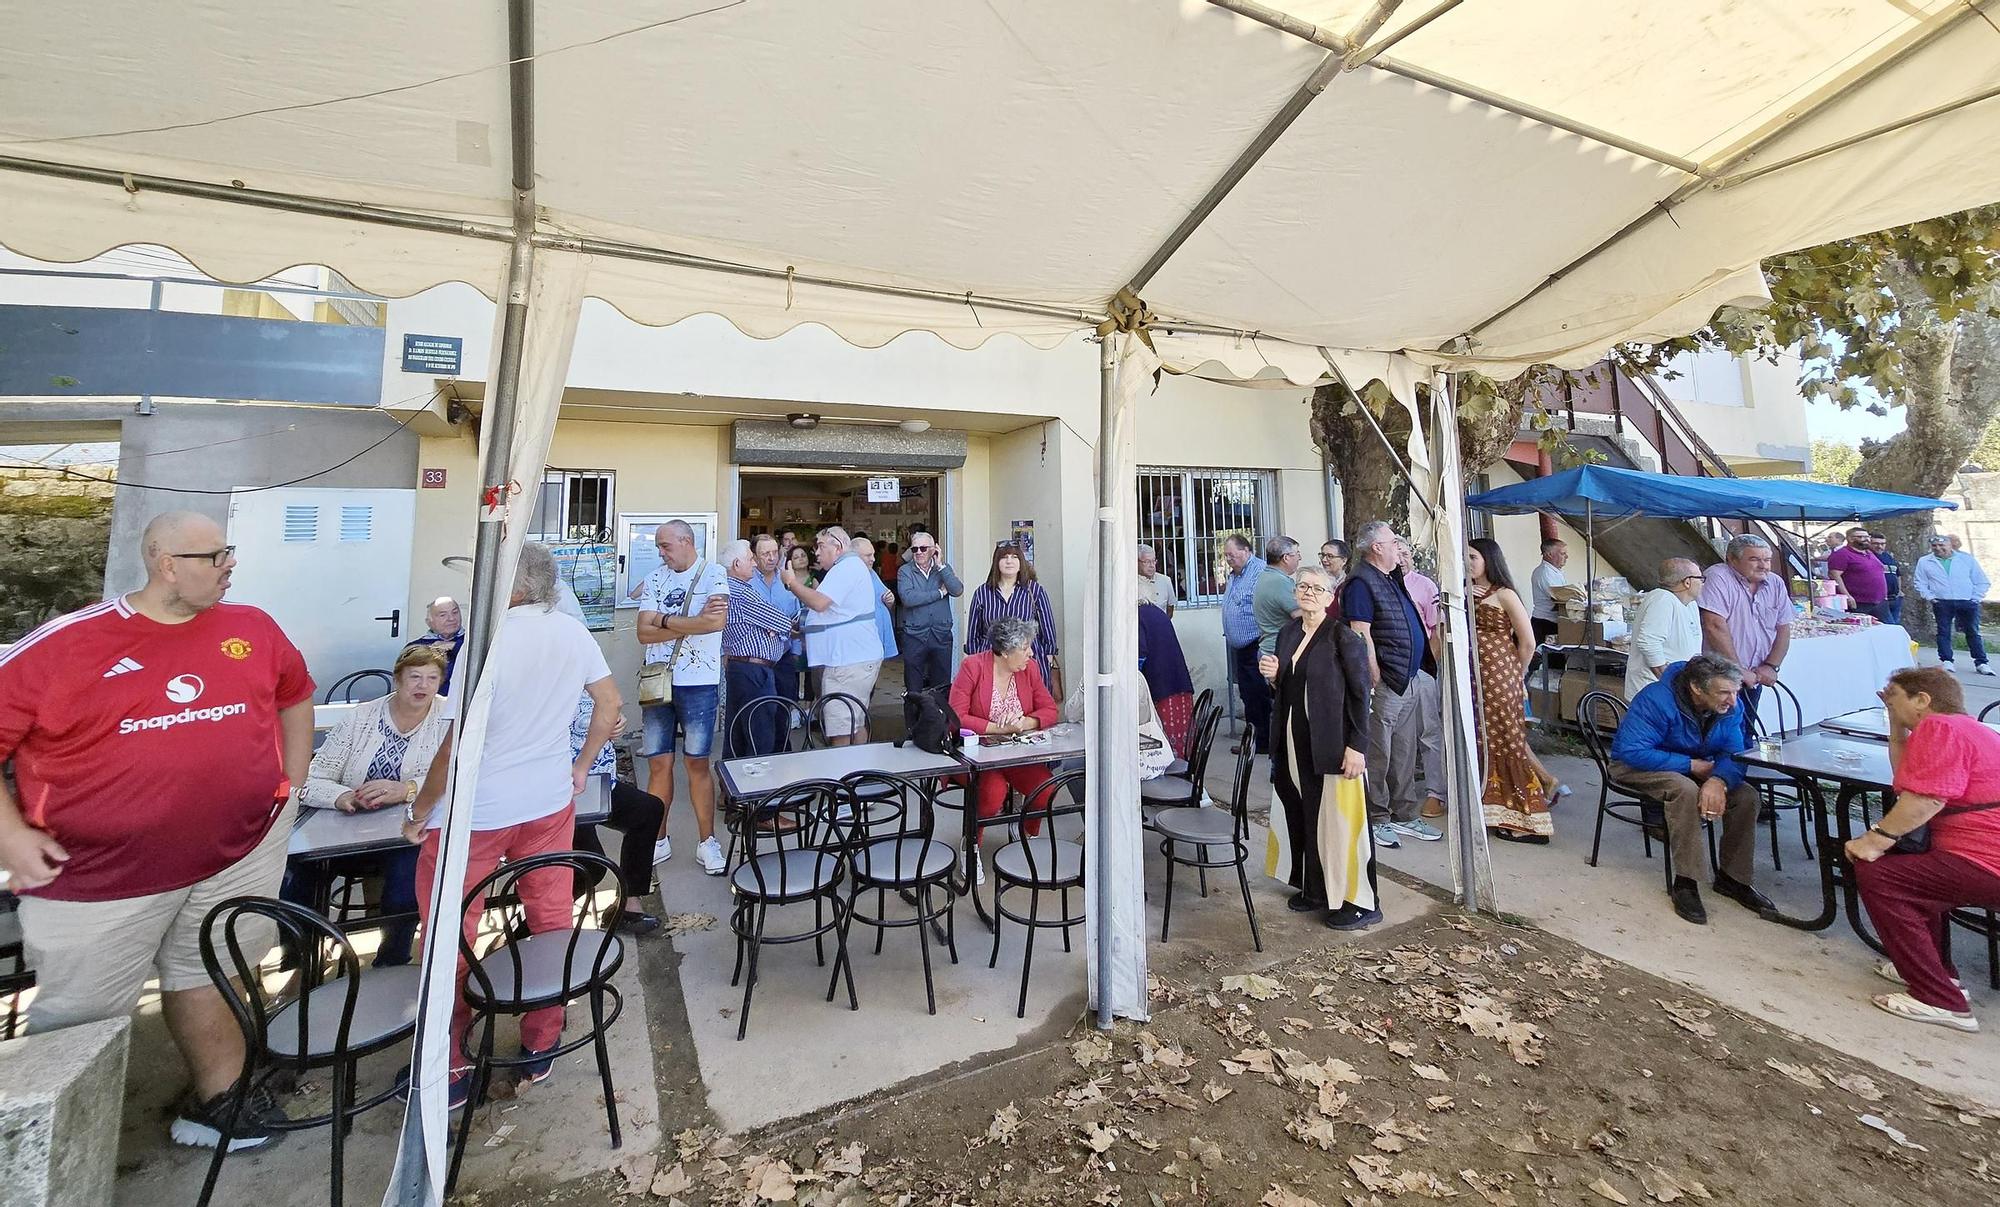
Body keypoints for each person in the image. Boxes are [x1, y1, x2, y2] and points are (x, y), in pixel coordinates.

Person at [0, 511, 314, 1150]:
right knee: (79, 1025)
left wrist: (291, 783)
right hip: (99, 877)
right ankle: (52, 1163)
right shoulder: (64, 647)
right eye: (216, 556)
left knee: (213, 973)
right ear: (167, 564)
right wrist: (10, 836)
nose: (230, 566)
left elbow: (295, 694)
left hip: (237, 852)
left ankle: (220, 1102)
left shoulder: (251, 627)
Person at [403, 542, 621, 1107]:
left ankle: (448, 1058)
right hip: (547, 800)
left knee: (451, 930)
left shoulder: (489, 639)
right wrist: (579, 767)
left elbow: (455, 743)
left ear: (512, 584)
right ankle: (541, 1039)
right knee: (551, 916)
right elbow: (610, 707)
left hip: (477, 810)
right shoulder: (573, 632)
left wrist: (421, 809)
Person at [1847, 667, 2000, 1031]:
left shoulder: (1940, 727)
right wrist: (1895, 722)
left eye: (1893, 695)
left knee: (1878, 874)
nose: (1887, 700)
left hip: (1986, 860)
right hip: (1980, 857)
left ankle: (1940, 998)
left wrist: (1873, 840)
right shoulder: (1973, 729)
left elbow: (1927, 798)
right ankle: (1939, 972)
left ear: (1922, 700)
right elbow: (1906, 778)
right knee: (1912, 871)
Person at [286, 644, 452, 966]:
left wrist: (406, 789)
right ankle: (303, 962)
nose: (423, 686)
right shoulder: (361, 717)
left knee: (406, 882)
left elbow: (455, 777)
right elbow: (311, 778)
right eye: (414, 677)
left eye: (432, 678)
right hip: (346, 828)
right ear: (397, 680)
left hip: (409, 827)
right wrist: (342, 796)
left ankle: (391, 960)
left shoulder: (447, 720)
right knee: (295, 875)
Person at [1608, 654, 1770, 926]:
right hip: (1636, 765)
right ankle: (1687, 881)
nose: (1732, 700)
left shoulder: (1731, 706)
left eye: (1735, 691)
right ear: (1697, 688)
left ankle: (1734, 878)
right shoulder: (1657, 699)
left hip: (1697, 767)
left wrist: (1719, 780)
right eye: (1724, 693)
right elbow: (1630, 751)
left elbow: (1734, 751)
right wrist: (1690, 765)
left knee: (1746, 796)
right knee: (1684, 790)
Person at [1258, 565, 1375, 929]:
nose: (1309, 592)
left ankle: (1359, 901)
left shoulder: (1343, 637)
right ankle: (1315, 888)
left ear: (1330, 597)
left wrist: (1357, 746)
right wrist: (1273, 677)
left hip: (1334, 743)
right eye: (1303, 586)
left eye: (1317, 588)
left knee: (1341, 821)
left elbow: (1360, 695)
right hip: (1295, 742)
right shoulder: (1289, 632)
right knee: (1306, 812)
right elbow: (1288, 689)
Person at [637, 520, 730, 874]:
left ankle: (706, 841)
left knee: (697, 763)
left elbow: (715, 624)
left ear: (686, 541)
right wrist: (684, 621)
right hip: (658, 680)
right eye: (659, 546)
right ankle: (657, 839)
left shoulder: (714, 573)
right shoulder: (657, 577)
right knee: (658, 763)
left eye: (665, 545)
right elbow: (643, 635)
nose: (661, 552)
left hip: (699, 683)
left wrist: (661, 619)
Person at [1342, 521, 1437, 849]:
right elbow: (1360, 631)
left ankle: (1405, 813)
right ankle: (1378, 816)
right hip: (1386, 681)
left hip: (1406, 677)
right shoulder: (1361, 582)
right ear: (1376, 548)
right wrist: (1375, 675)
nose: (1399, 546)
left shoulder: (1389, 577)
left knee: (1404, 751)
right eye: (1392, 541)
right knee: (1379, 752)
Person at [949, 616, 1061, 884]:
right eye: (1025, 648)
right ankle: (971, 846)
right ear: (1006, 651)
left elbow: (1050, 709)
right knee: (992, 793)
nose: (1031, 653)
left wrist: (1026, 722)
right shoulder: (972, 667)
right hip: (976, 756)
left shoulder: (1029, 669)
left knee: (1046, 789)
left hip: (1015, 753)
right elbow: (956, 716)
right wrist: (995, 729)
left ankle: (1025, 832)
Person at [1466, 539, 1552, 843]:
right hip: (1476, 676)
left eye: (1473, 556)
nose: (1468, 561)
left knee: (1508, 741)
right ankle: (1497, 809)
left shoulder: (1505, 594)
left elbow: (1527, 641)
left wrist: (1517, 675)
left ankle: (1527, 816)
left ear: (1489, 559)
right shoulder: (1469, 593)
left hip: (1501, 675)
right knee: (1486, 741)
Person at [566, 694, 665, 936]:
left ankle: (626, 907)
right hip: (563, 789)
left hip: (599, 781)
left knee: (647, 811)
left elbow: (604, 701)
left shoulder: (587, 664)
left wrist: (614, 720)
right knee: (591, 864)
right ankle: (543, 919)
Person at [785, 525, 886, 745]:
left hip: (847, 662)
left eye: (821, 546)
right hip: (851, 658)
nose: (817, 553)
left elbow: (819, 602)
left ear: (838, 546)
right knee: (854, 722)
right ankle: (859, 773)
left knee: (840, 731)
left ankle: (842, 777)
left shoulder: (846, 568)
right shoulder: (848, 568)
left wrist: (791, 583)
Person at [720, 538, 799, 758]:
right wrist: (778, 626)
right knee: (759, 733)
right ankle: (758, 787)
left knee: (741, 733)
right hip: (753, 669)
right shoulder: (742, 592)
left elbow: (778, 623)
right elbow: (783, 622)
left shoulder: (735, 588)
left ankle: (737, 786)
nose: (754, 564)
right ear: (737, 564)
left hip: (751, 667)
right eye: (750, 559)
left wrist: (775, 626)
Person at [1698, 533, 1791, 718]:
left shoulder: (1775, 582)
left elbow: (1784, 628)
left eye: (1767, 559)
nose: (1763, 565)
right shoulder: (1718, 576)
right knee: (1721, 734)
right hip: (1720, 674)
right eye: (1754, 559)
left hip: (1755, 674)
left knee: (1747, 730)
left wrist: (1772, 666)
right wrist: (1738, 670)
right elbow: (1714, 625)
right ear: (1732, 559)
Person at [1395, 537, 1449, 822]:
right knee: (1399, 736)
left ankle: (1435, 792)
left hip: (1422, 670)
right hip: (1392, 672)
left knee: (1429, 732)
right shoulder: (1384, 585)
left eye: (1405, 552)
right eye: (1396, 552)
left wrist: (1429, 667)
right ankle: (1399, 792)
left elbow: (1437, 630)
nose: (1401, 557)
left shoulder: (1425, 586)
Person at [963, 542, 1060, 692]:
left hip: (1028, 660)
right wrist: (976, 659)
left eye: (1014, 557)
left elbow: (1047, 627)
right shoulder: (982, 593)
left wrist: (1047, 656)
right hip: (991, 661)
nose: (1009, 561)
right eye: (1004, 557)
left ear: (1021, 562)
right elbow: (973, 633)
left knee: (1030, 704)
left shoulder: (1034, 590)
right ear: (997, 562)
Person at [1914, 533, 1994, 674]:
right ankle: (1947, 660)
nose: (1938, 548)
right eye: (1934, 546)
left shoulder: (1966, 559)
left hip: (1967, 601)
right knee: (1943, 631)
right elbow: (1920, 582)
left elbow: (1981, 580)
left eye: (1941, 545)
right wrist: (1930, 597)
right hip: (1942, 601)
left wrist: (1975, 597)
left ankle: (1981, 662)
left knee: (1972, 631)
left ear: (1950, 545)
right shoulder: (1925, 561)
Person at [1626, 558, 1705, 700]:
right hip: (1654, 690)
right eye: (1700, 578)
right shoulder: (1662, 599)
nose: (1702, 583)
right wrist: (1667, 679)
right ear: (1687, 582)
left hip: (1678, 688)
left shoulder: (1690, 604)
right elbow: (1648, 642)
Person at [1221, 534, 1272, 755]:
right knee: (1247, 694)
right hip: (1240, 647)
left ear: (1246, 550)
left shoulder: (1259, 572)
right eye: (1226, 556)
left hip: (1255, 645)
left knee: (1257, 695)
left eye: (1232, 555)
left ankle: (1261, 742)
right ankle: (1253, 738)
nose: (1229, 559)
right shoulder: (1235, 574)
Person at [896, 530, 963, 697]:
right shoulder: (905, 571)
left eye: (923, 548)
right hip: (914, 635)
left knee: (941, 685)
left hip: (941, 634)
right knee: (913, 685)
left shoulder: (943, 569)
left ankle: (940, 721)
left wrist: (941, 566)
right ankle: (914, 722)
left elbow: (957, 590)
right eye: (914, 549)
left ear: (934, 550)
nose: (918, 552)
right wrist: (939, 594)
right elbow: (908, 598)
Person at [747, 533, 804, 708]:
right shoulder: (746, 581)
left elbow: (796, 615)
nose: (772, 558)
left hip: (783, 656)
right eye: (765, 554)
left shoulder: (787, 581)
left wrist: (796, 651)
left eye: (774, 552)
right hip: (755, 659)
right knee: (758, 710)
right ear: (754, 556)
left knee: (783, 707)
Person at [1137, 599, 1196, 759]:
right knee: (1181, 749)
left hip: (1163, 689)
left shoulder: (1138, 615)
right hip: (1178, 684)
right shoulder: (1155, 610)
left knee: (1162, 750)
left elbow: (1140, 655)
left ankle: (1172, 777)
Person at [852, 537, 901, 669]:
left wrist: (890, 600)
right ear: (854, 557)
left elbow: (885, 600)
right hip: (861, 641)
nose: (873, 559)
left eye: (873, 554)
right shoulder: (848, 576)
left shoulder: (871, 573)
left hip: (874, 640)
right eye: (868, 555)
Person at [1827, 526, 1891, 621]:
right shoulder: (1842, 554)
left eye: (1866, 537)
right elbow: (1834, 575)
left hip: (1880, 603)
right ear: (1850, 538)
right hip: (1859, 603)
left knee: (1889, 631)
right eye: (1860, 537)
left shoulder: (1869, 553)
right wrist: (1847, 596)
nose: (1865, 539)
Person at [409, 595, 465, 691]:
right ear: (429, 622)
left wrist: (455, 646)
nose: (451, 619)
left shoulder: (472, 642)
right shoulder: (417, 647)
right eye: (443, 615)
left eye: (455, 612)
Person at [1529, 538, 1569, 646]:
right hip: (1545, 623)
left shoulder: (1555, 571)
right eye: (1562, 553)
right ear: (1550, 555)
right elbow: (1559, 598)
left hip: (1553, 622)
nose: (1566, 557)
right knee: (1551, 660)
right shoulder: (1545, 573)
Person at [1137, 543, 1179, 616]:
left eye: (1154, 561)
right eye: (1147, 562)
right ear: (1137, 562)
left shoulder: (1165, 581)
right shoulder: (1130, 582)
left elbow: (1170, 609)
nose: (1152, 565)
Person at [1872, 532, 1904, 626]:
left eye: (1882, 544)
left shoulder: (1888, 556)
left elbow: (1897, 574)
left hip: (1895, 598)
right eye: (1876, 543)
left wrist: (1900, 591)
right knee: (1889, 626)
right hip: (1880, 600)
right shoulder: (1868, 557)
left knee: (1895, 625)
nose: (1879, 546)